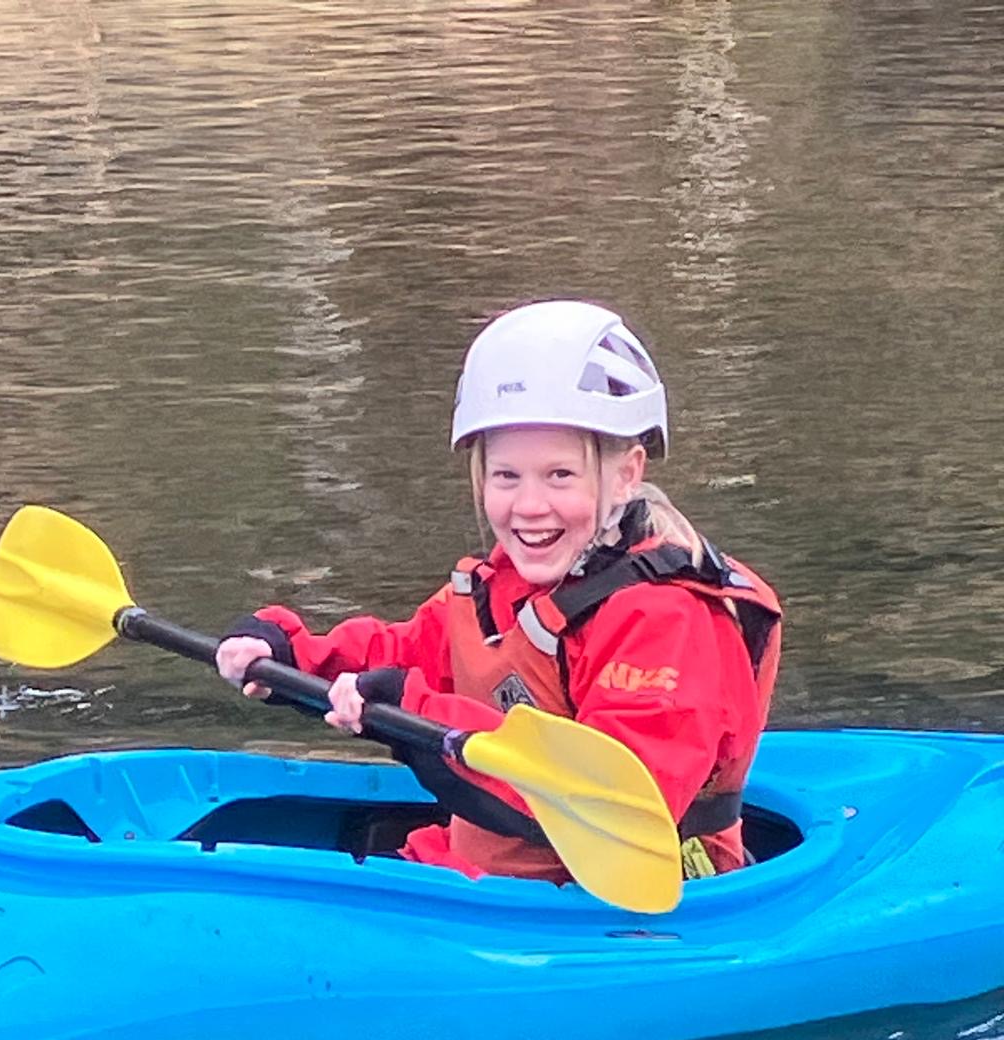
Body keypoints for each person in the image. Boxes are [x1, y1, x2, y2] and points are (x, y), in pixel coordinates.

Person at [215, 300, 781, 882]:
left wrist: (414, 713)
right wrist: (289, 656)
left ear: (626, 474)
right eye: (506, 476)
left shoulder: (667, 618)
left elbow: (616, 803)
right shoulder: (505, 585)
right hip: (486, 870)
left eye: (560, 475)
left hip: (624, 894)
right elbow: (410, 654)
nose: (529, 506)